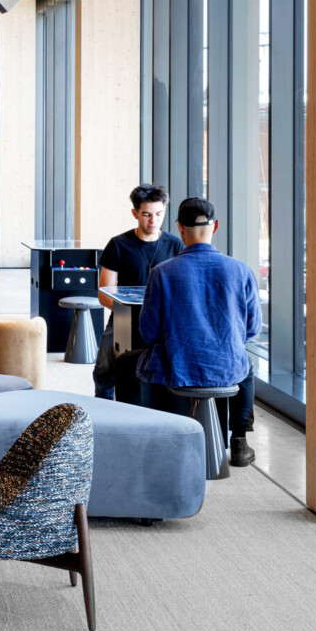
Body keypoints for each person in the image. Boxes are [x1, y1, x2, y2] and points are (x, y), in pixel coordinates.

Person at [116, 197, 261, 468]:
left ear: (179, 229)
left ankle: (135, 437)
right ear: (215, 226)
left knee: (124, 363)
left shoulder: (162, 272)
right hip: (226, 367)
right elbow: (251, 328)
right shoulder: (242, 270)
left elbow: (149, 332)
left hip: (177, 367)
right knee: (245, 365)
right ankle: (239, 440)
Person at [96, 184, 184, 401]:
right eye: (146, 215)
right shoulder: (118, 244)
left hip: (161, 322)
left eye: (159, 214)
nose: (153, 221)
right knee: (104, 370)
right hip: (124, 317)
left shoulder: (176, 246)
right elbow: (104, 293)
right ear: (135, 213)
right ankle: (104, 411)